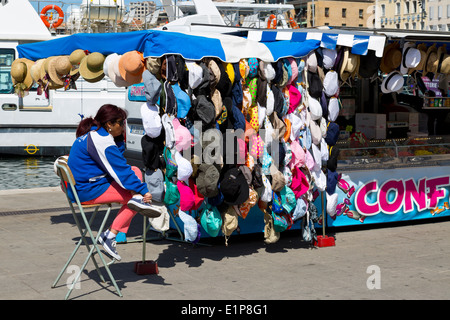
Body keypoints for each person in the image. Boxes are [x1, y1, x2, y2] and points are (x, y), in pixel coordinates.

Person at [67, 104, 153, 261]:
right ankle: (110, 236)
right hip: (87, 190)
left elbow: (116, 162)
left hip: (81, 186)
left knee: (135, 171)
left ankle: (112, 232)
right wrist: (143, 190)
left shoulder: (93, 135)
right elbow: (119, 170)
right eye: (120, 123)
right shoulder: (102, 141)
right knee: (136, 200)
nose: (123, 126)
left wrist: (119, 139)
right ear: (109, 124)